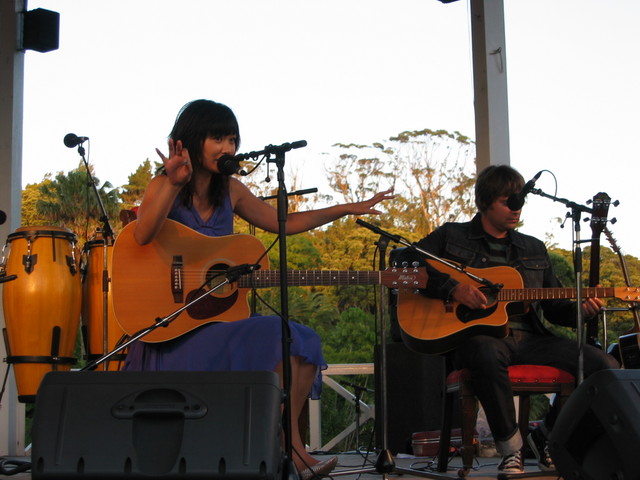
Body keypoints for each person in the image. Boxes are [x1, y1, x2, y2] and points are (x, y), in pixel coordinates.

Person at [122, 99, 394, 478]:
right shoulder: (162, 184)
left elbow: (286, 223)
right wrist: (173, 184)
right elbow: (142, 234)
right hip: (171, 333)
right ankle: (284, 451)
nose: (228, 148)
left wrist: (345, 208)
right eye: (218, 138)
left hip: (216, 326)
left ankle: (286, 446)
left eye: (232, 139)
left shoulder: (231, 190)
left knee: (301, 342)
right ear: (192, 140)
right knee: (281, 335)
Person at [410, 165, 619, 475]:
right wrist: (453, 288)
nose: (516, 208)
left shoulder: (533, 248)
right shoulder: (451, 236)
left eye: (520, 201)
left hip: (531, 339)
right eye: (508, 201)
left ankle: (547, 436)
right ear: (486, 201)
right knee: (486, 350)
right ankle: (511, 449)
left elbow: (556, 308)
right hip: (477, 341)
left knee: (605, 366)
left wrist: (582, 310)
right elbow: (403, 261)